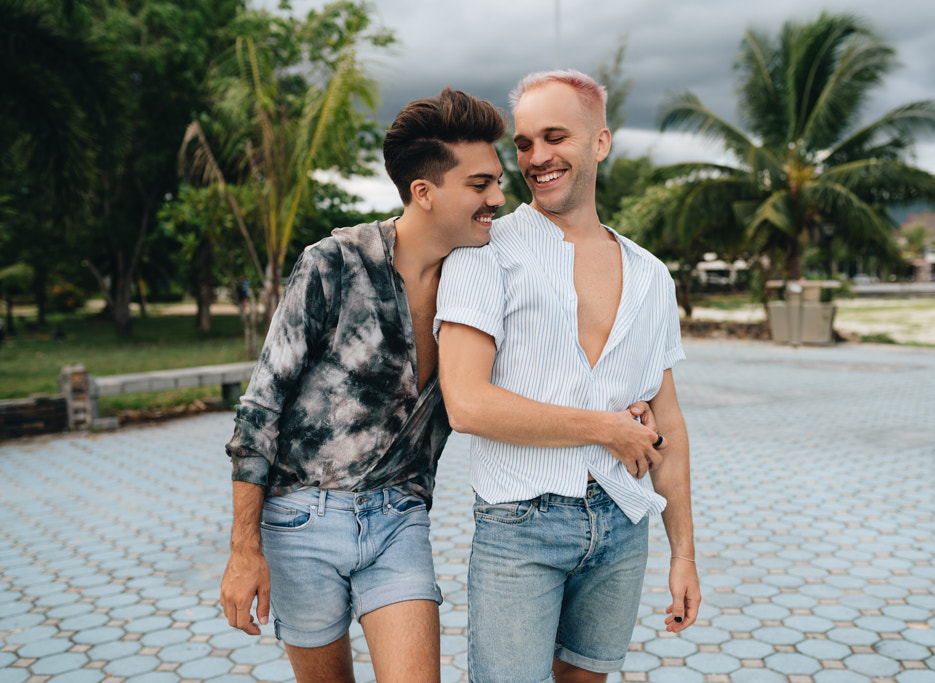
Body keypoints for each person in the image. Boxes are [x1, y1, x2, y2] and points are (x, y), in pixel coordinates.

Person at [220, 87, 659, 683]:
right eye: (480, 185)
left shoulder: (474, 273)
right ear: (424, 192)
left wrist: (623, 411)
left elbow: (538, 361)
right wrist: (244, 549)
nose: (499, 199)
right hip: (301, 518)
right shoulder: (335, 262)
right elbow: (260, 408)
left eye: (498, 182)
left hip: (400, 517)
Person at [435, 70, 701, 683]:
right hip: (519, 526)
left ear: (601, 143)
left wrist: (683, 553)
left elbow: (670, 422)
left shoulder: (651, 275)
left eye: (555, 136)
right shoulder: (484, 251)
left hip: (622, 523)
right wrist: (608, 429)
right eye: (524, 143)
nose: (536, 158)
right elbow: (468, 404)